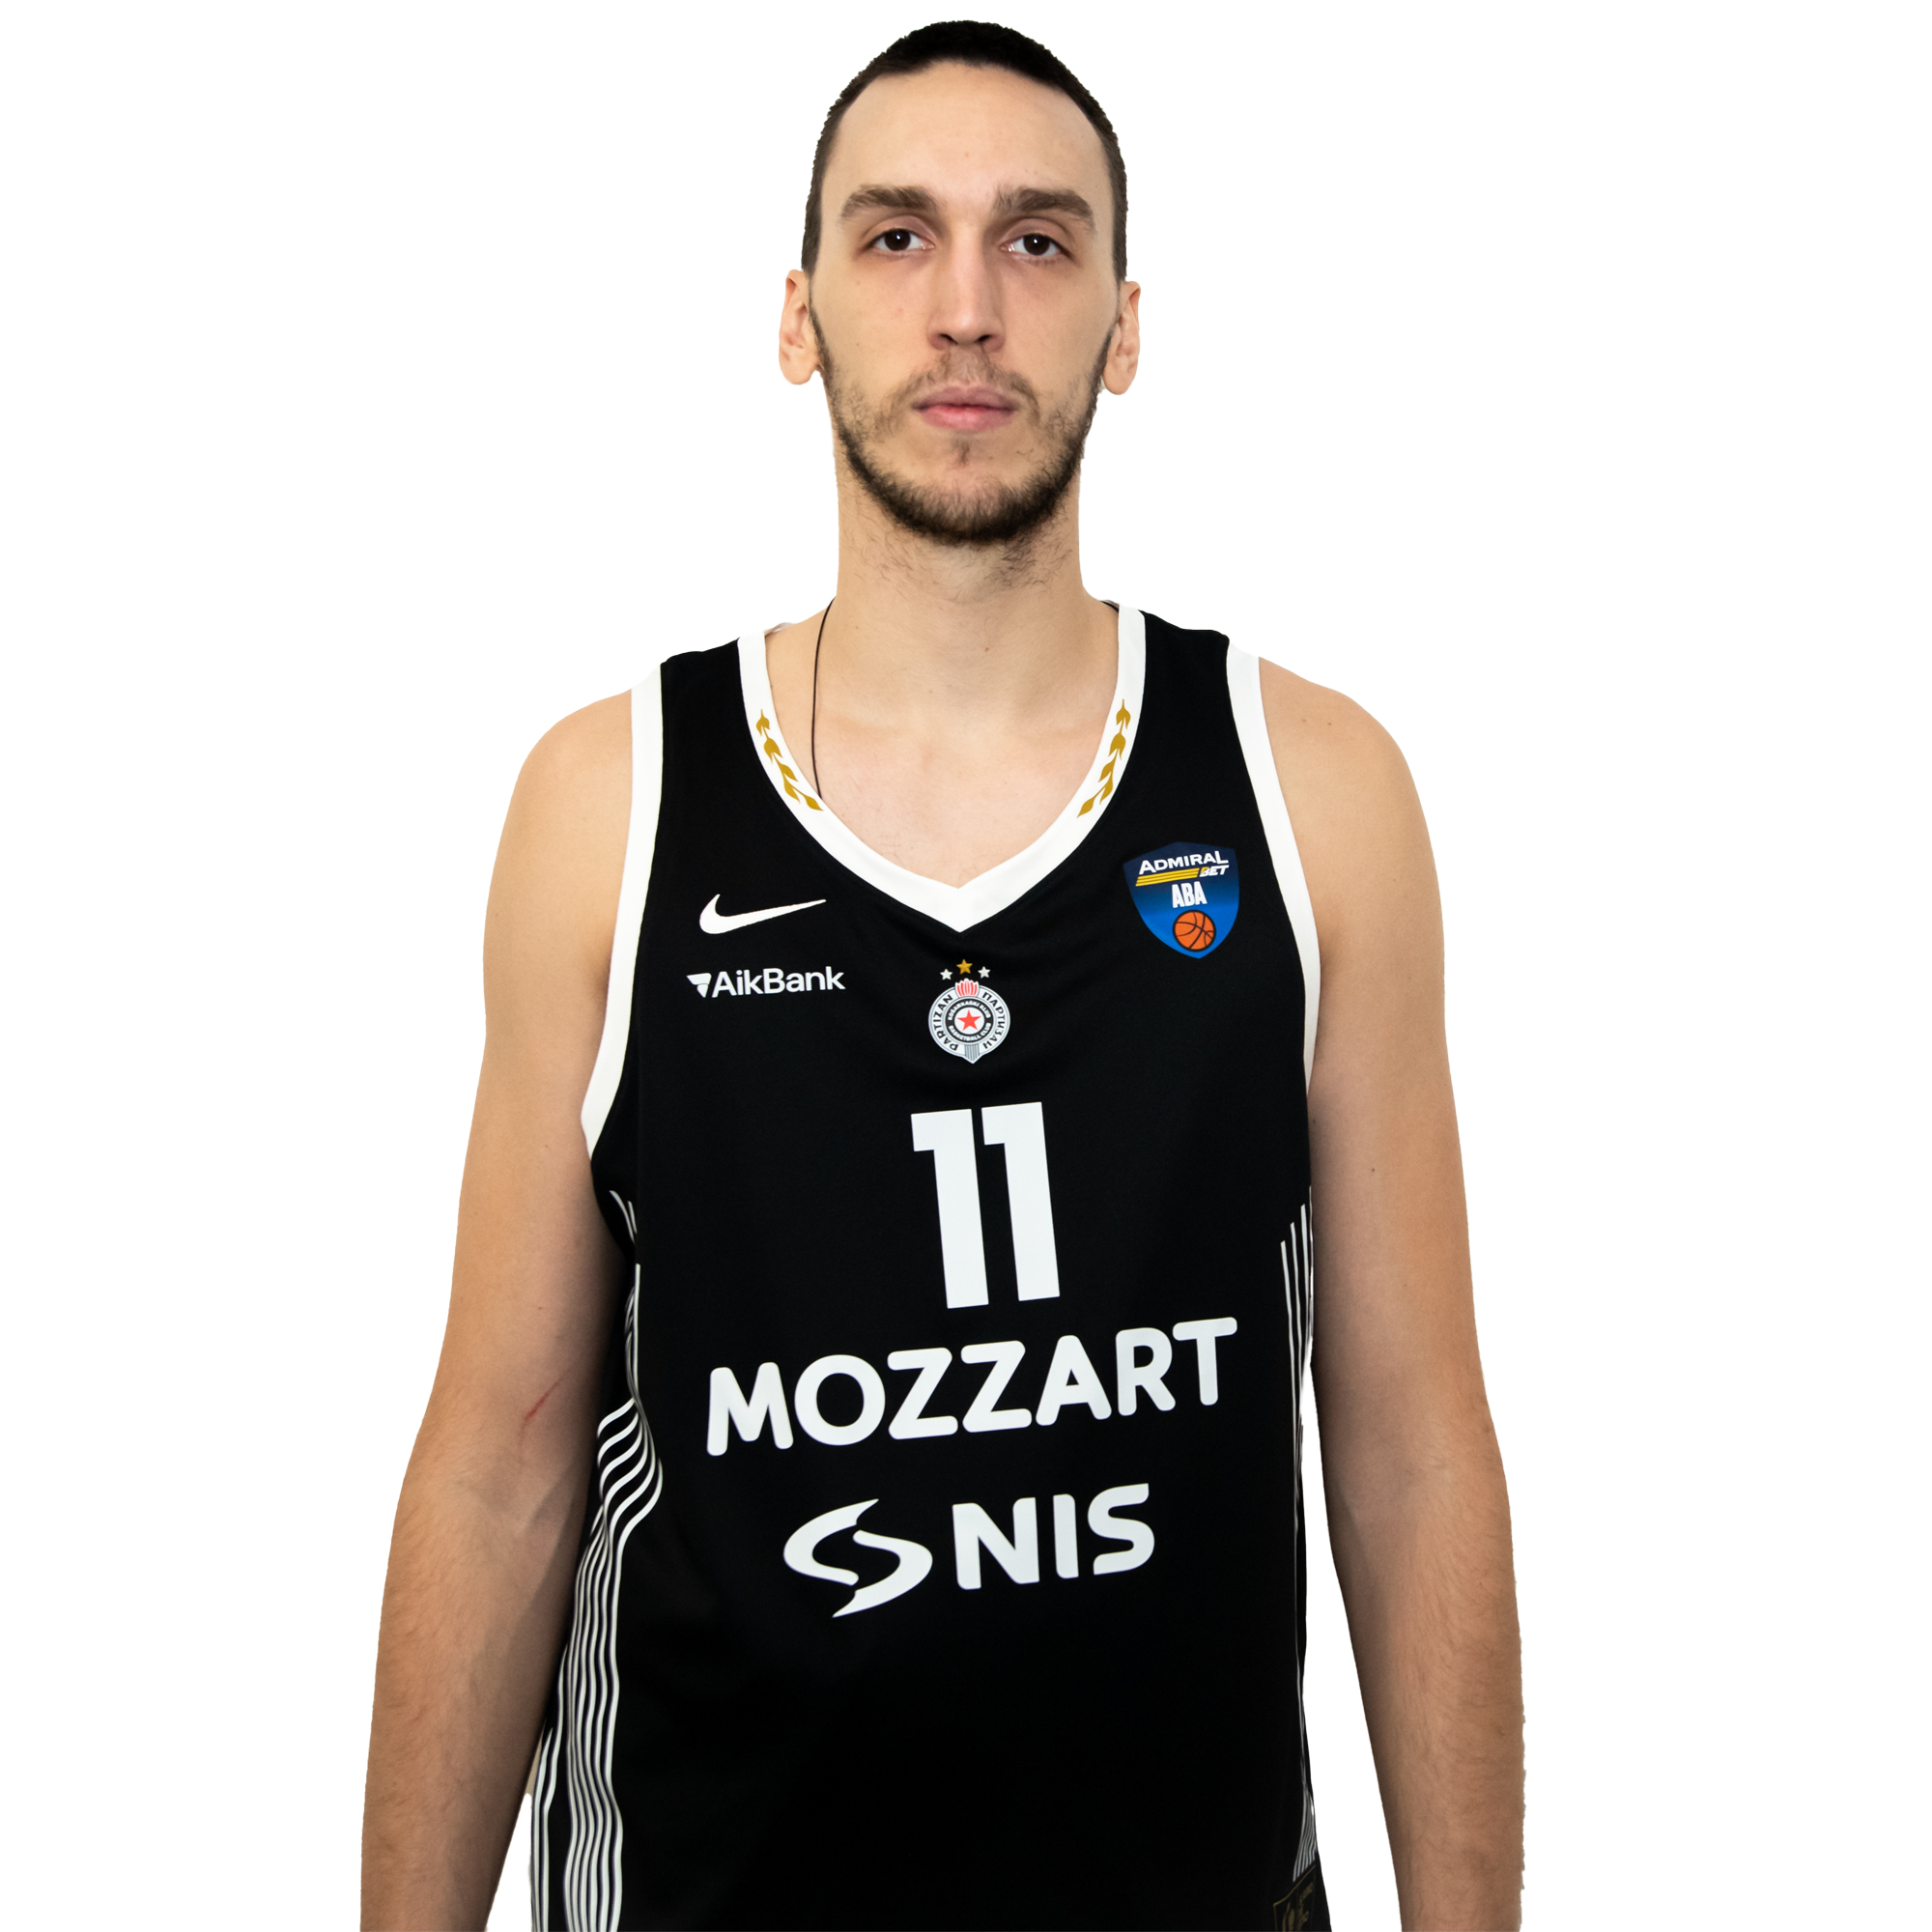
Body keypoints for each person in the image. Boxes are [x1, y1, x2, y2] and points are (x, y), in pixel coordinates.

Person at [361, 20, 1522, 1931]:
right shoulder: (611, 804)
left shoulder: (1308, 789)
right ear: (800, 314)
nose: (967, 307)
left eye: (1036, 241)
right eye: (896, 237)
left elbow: (1408, 1455)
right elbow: (496, 1472)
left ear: (1122, 331)